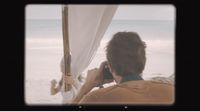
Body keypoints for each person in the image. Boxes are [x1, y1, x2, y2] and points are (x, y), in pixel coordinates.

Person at [72, 32, 174, 105]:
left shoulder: (97, 98)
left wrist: (86, 86)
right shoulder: (170, 91)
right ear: (143, 62)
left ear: (110, 67)